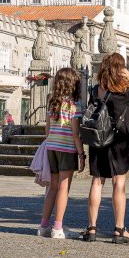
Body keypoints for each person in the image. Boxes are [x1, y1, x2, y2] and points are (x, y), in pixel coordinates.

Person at [83, 53, 129, 244]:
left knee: (97, 182)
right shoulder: (122, 92)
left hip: (99, 140)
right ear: (119, 69)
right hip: (119, 141)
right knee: (119, 183)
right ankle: (119, 229)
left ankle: (91, 229)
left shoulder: (95, 90)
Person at [38, 68, 86, 239]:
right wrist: (81, 155)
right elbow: (75, 133)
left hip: (51, 147)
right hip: (66, 148)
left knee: (52, 187)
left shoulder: (52, 102)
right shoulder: (74, 105)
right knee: (64, 188)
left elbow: (47, 130)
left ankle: (43, 226)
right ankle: (57, 228)